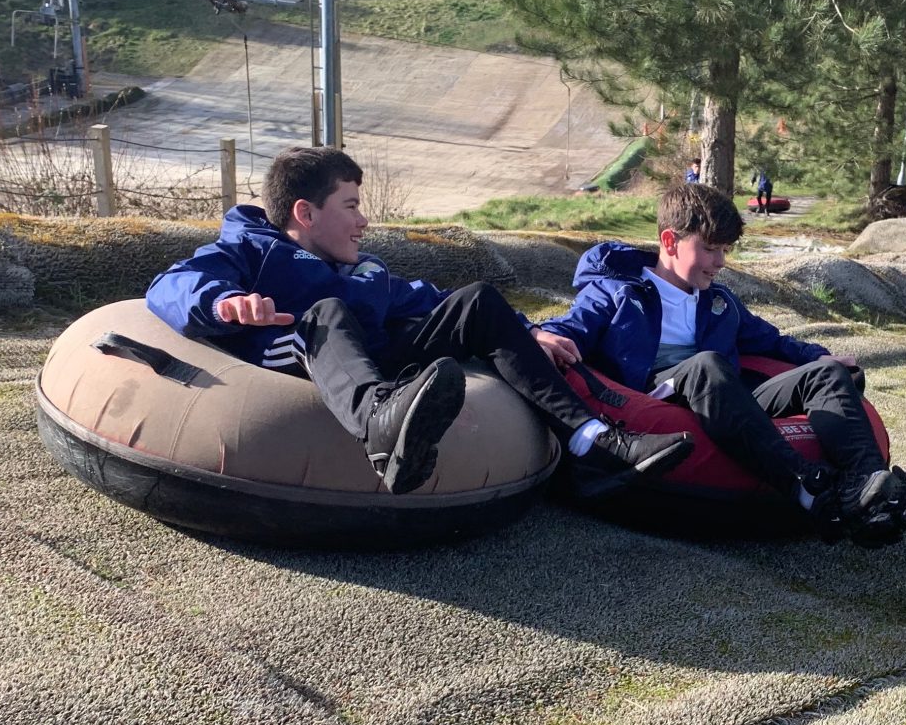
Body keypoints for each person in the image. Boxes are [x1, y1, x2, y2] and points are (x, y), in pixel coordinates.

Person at [147, 147, 692, 498]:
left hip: (375, 358)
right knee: (328, 314)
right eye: (351, 206)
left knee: (476, 299)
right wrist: (225, 304)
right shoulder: (250, 249)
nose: (364, 220)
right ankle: (382, 431)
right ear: (305, 214)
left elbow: (427, 298)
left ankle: (592, 440)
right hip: (294, 349)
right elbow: (169, 286)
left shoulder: (364, 270)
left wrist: (529, 331)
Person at [537, 183, 906, 544]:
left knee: (826, 374)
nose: (720, 263)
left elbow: (773, 342)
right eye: (710, 249)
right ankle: (803, 483)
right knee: (706, 363)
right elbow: (566, 329)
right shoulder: (615, 294)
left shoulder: (720, 303)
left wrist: (823, 357)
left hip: (729, 402)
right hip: (656, 397)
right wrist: (537, 333)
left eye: (725, 250)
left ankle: (873, 487)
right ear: (669, 241)